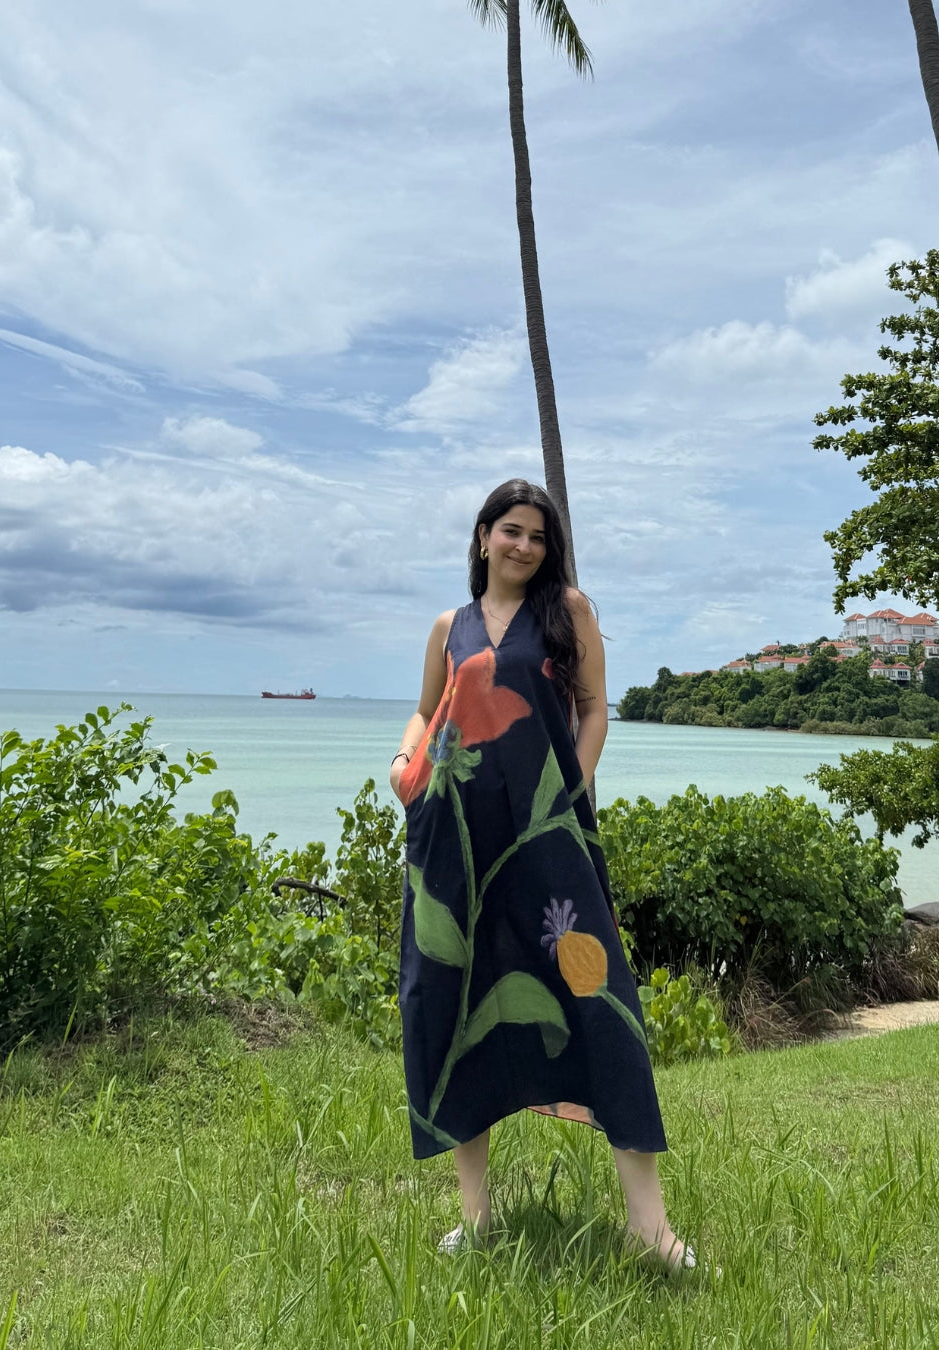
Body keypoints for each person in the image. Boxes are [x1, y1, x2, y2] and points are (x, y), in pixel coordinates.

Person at [388, 479, 692, 1270]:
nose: (524, 547)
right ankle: (478, 1219)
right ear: (483, 536)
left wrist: (574, 786)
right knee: (451, 1000)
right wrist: (403, 759)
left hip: (548, 837)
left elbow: (594, 708)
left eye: (538, 537)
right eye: (511, 532)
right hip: (457, 840)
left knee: (600, 1002)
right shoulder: (446, 627)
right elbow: (427, 711)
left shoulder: (570, 612)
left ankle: (650, 1230)